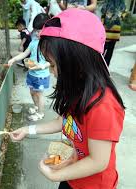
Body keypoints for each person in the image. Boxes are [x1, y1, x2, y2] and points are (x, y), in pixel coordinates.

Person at [10, 9, 125, 189]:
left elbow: (98, 161)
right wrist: (28, 129)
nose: (51, 71)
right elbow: (63, 122)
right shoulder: (79, 90)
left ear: (77, 61)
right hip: (73, 174)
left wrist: (55, 175)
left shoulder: (103, 106)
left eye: (54, 65)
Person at [8, 13, 51, 121]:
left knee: (39, 94)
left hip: (41, 75)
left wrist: (40, 66)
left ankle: (40, 113)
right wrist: (14, 59)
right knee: (32, 92)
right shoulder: (34, 42)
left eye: (39, 30)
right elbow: (25, 54)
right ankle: (36, 107)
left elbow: (51, 62)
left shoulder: (49, 44)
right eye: (35, 30)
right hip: (31, 73)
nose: (36, 33)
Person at [101, 0, 126, 66]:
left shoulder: (121, 2)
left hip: (113, 29)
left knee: (105, 51)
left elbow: (124, 12)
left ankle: (103, 68)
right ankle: (104, 68)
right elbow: (103, 11)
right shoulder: (121, 2)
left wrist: (118, 16)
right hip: (109, 29)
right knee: (105, 51)